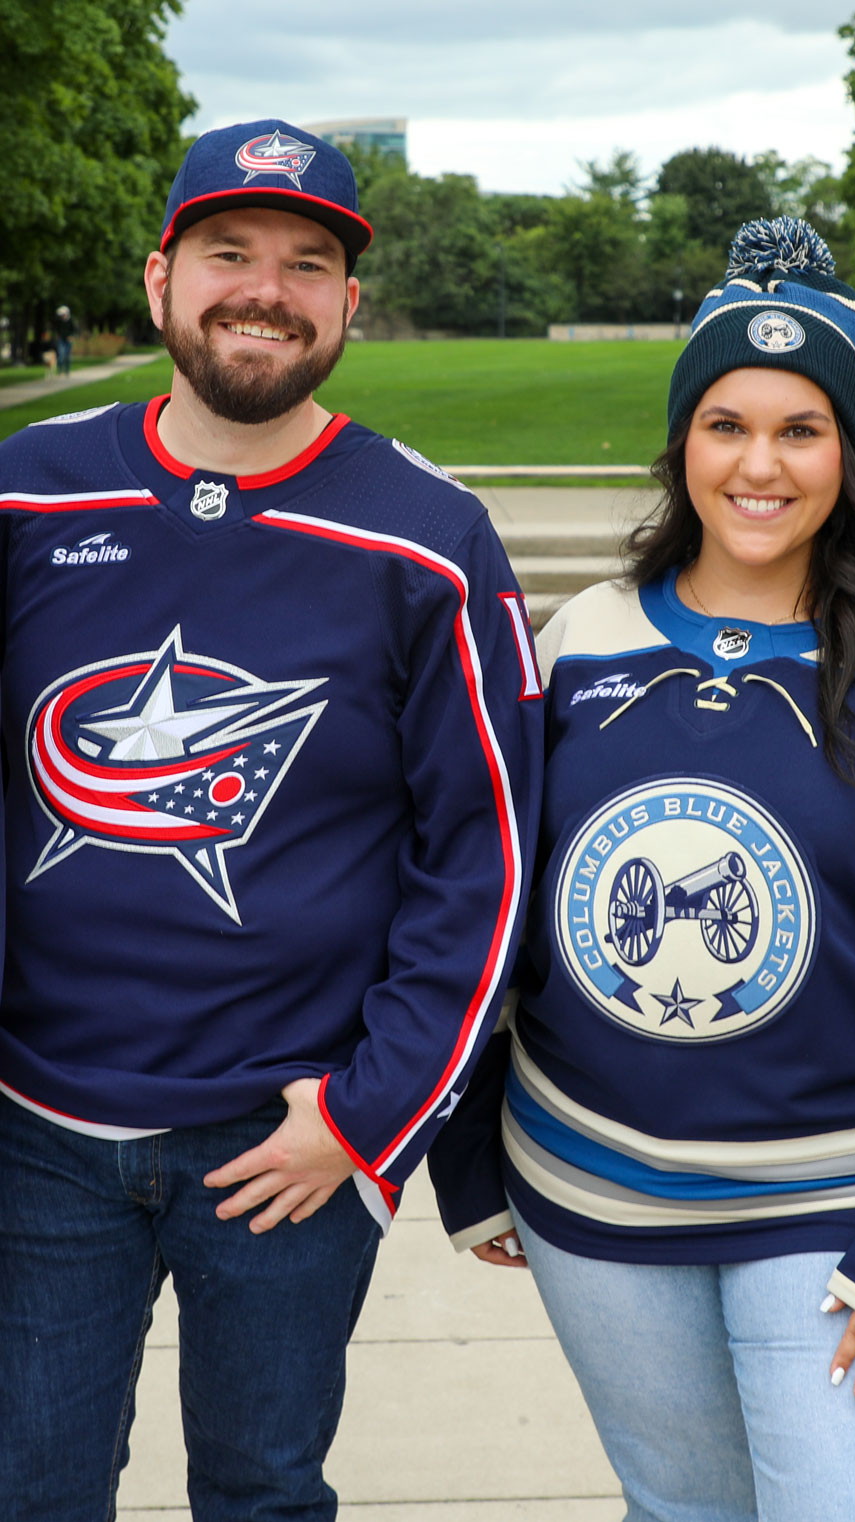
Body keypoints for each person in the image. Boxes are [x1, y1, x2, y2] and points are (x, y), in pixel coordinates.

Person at [429, 217, 855, 1522]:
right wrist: (469, 1156)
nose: (758, 464)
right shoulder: (570, 644)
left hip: (845, 1217)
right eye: (725, 423)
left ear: (848, 453)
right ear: (681, 442)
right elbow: (489, 913)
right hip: (590, 1196)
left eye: (799, 429)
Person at [0, 118, 541, 1520]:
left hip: (284, 1142)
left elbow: (483, 859)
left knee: (259, 1486)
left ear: (349, 303)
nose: (267, 288)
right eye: (229, 252)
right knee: (32, 1483)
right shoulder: (29, 490)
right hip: (36, 1126)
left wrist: (367, 1119)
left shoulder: (427, 535)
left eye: (309, 263)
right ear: (160, 277)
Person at [53, 303, 75, 375]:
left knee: (67, 355)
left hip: (68, 340)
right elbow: (56, 329)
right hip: (61, 339)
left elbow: (73, 330)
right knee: (61, 354)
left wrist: (71, 336)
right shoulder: (59, 322)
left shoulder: (70, 321)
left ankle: (67, 370)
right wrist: (57, 336)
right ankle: (60, 369)